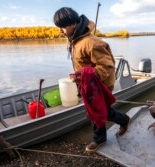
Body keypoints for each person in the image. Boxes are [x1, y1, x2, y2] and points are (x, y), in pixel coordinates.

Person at [53, 7, 130, 152]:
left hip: (101, 84)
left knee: (99, 110)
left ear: (72, 24)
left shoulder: (92, 43)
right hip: (88, 84)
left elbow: (107, 67)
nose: (60, 31)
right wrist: (80, 77)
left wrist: (84, 75)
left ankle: (114, 127)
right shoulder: (75, 40)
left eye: (62, 27)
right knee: (97, 110)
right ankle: (105, 134)